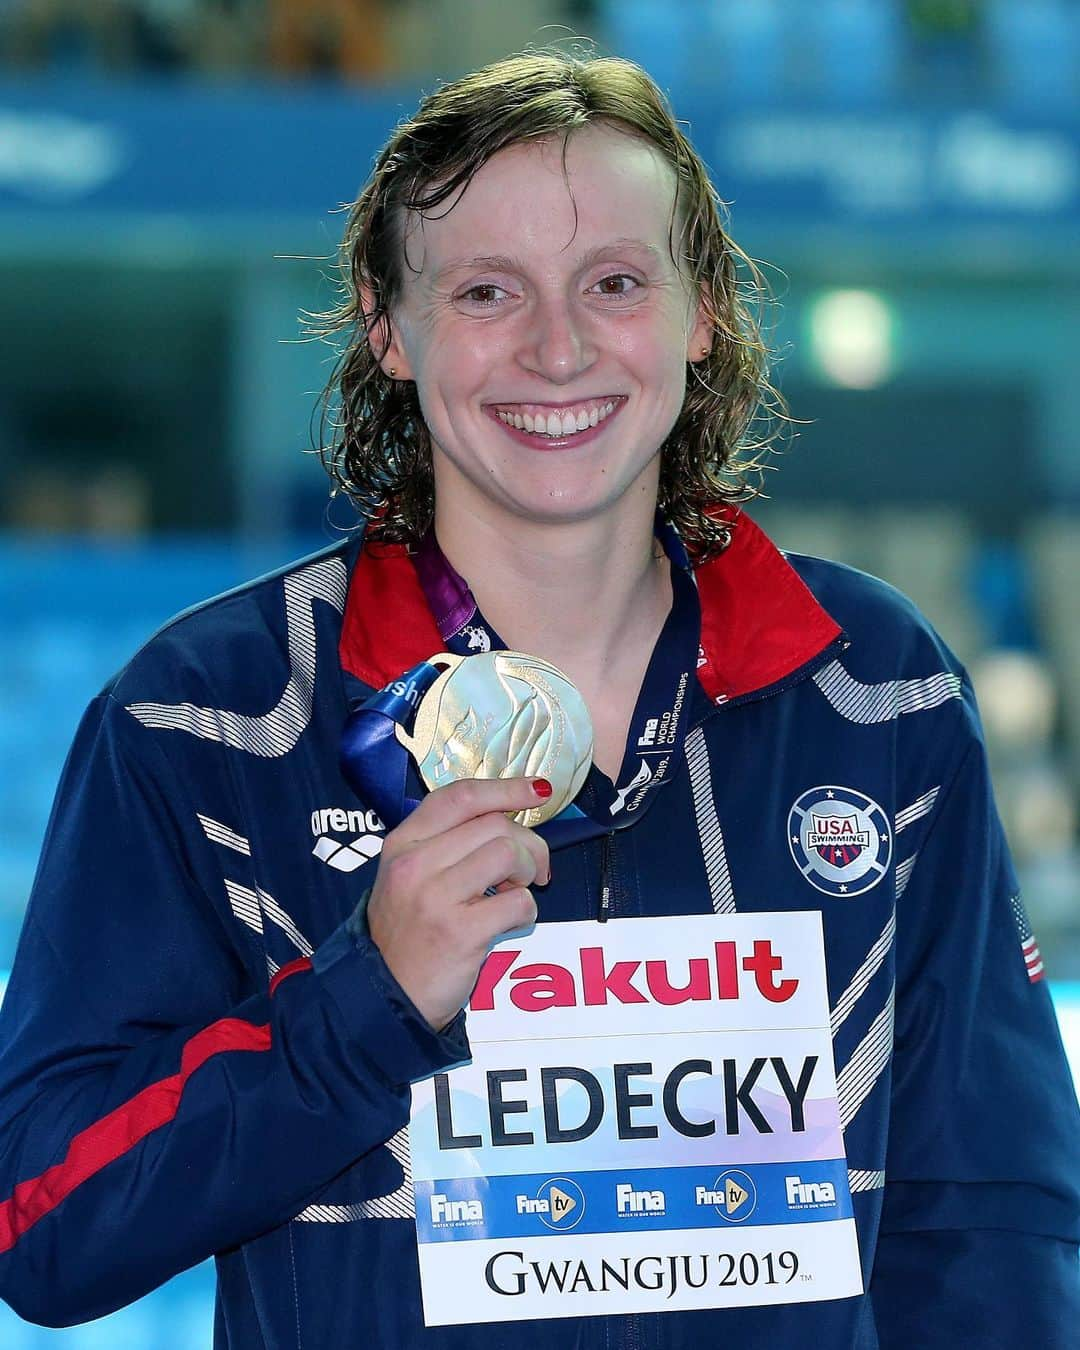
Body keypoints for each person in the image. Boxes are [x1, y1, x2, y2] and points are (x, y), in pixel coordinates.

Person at [0, 47, 1077, 1349]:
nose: (557, 348)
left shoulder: (876, 686)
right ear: (388, 325)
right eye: (487, 290)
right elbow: (42, 1226)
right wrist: (366, 1001)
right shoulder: (204, 717)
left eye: (614, 283)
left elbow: (990, 1222)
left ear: (703, 313)